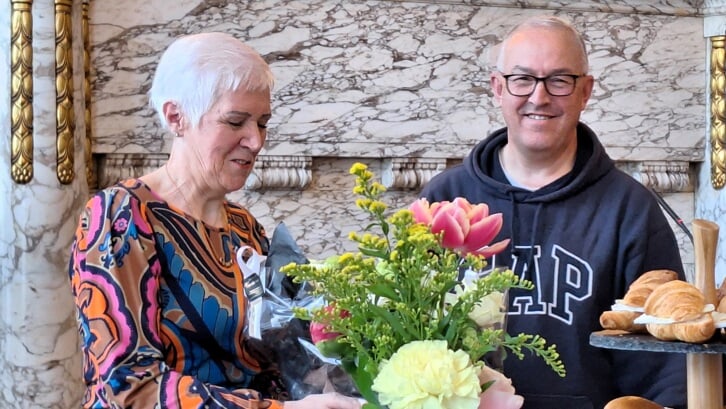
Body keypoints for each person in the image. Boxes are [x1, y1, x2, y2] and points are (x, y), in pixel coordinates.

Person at [68, 32, 361, 409]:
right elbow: (125, 388)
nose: (255, 141)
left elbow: (273, 364)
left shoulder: (245, 227)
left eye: (262, 123)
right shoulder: (121, 216)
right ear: (177, 117)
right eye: (236, 121)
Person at [420, 15, 687, 409]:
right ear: (497, 88)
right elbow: (404, 337)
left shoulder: (629, 209)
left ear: (586, 91)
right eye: (522, 79)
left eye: (559, 80)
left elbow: (664, 362)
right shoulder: (445, 200)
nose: (539, 97)